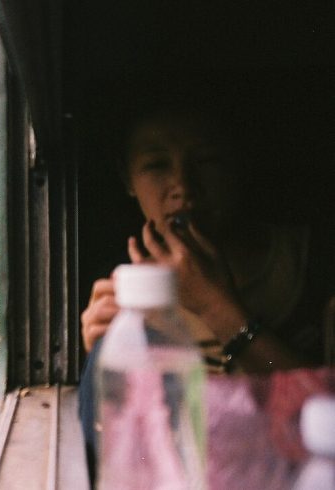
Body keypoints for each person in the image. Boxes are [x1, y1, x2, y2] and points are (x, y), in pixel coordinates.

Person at [78, 99, 334, 481]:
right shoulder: (117, 289)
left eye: (207, 161)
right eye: (157, 165)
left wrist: (218, 308)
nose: (182, 186)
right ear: (127, 178)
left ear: (237, 166)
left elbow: (324, 417)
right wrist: (100, 353)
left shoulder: (315, 263)